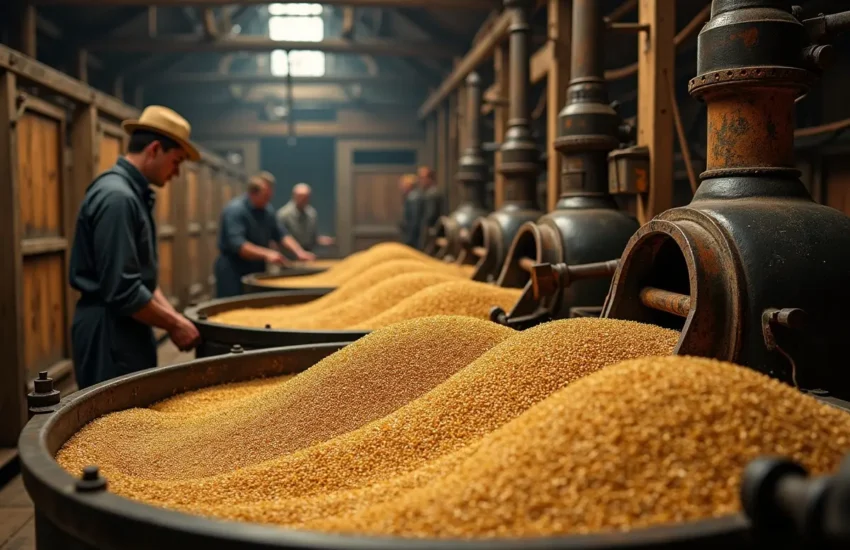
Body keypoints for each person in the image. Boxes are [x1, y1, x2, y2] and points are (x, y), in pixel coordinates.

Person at [69, 105, 202, 389]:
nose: (176, 173)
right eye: (176, 161)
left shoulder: (133, 194)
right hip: (110, 332)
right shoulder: (118, 199)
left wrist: (175, 317)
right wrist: (175, 325)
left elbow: (143, 279)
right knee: (112, 423)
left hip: (127, 326)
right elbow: (124, 291)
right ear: (154, 150)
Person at [214, 172, 315, 298]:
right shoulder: (235, 210)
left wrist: (299, 252)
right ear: (252, 193)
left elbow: (281, 234)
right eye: (265, 196)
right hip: (233, 269)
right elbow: (239, 246)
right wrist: (268, 254)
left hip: (256, 267)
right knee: (231, 304)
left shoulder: (267, 210)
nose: (269, 199)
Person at [275, 183, 335, 252]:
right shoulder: (283, 214)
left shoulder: (312, 214)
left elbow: (312, 239)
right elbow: (280, 238)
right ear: (294, 196)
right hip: (289, 256)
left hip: (308, 255)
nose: (303, 199)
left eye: (306, 197)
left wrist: (324, 241)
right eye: (301, 197)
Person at [417, 165, 443, 249]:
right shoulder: (429, 192)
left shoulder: (432, 194)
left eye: (423, 178)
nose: (421, 181)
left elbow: (430, 216)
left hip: (431, 232)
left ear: (430, 178)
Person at [399, 173, 422, 248]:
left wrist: (409, 238)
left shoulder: (413, 198)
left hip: (413, 236)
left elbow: (414, 220)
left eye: (403, 184)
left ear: (409, 185)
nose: (401, 187)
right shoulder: (413, 196)